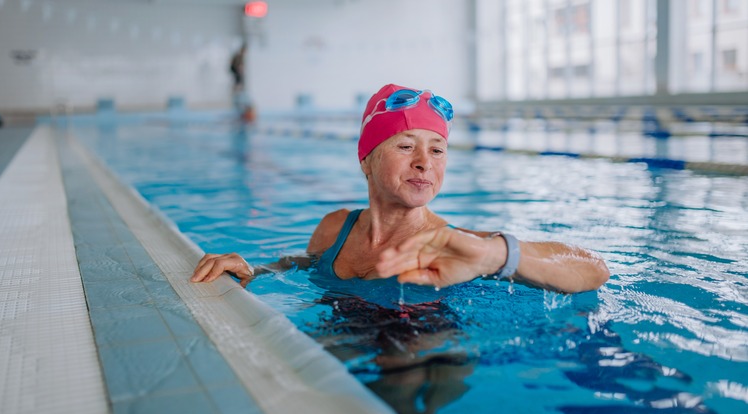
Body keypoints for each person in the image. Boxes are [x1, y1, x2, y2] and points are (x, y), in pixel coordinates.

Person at [191, 83, 610, 294]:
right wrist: (255, 271)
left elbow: (593, 267)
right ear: (366, 159)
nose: (424, 162)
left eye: (438, 150)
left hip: (423, 365)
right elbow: (303, 263)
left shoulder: (450, 242)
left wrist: (496, 254)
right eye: (406, 146)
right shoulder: (335, 227)